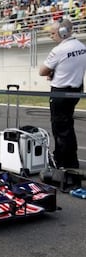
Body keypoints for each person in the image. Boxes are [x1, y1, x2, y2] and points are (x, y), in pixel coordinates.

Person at [39, 18, 86, 169]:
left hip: (60, 93)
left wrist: (52, 71)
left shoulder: (59, 49)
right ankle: (68, 160)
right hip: (76, 90)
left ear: (63, 33)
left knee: (60, 129)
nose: (51, 36)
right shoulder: (81, 46)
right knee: (67, 126)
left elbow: (42, 71)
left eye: (53, 33)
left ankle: (64, 163)